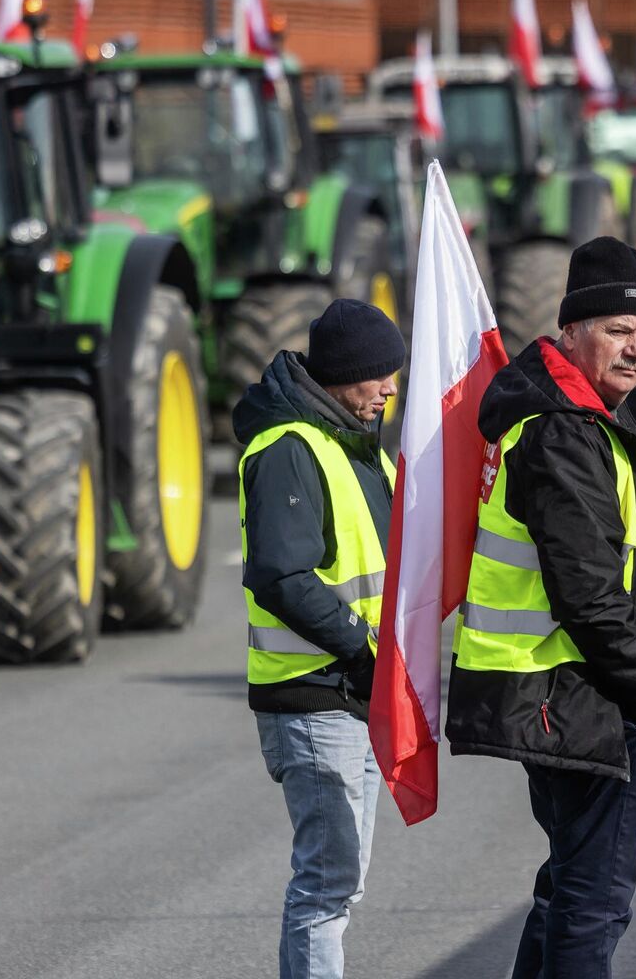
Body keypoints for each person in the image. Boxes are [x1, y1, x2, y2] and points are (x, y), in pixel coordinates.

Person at [445, 237, 636, 979]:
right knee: (595, 897)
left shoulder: (591, 417)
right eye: (618, 331)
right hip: (581, 693)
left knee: (568, 885)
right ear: (569, 333)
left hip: (577, 690)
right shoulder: (560, 431)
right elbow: (588, 588)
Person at [233, 298, 405, 979]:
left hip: (351, 694)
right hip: (313, 697)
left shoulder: (359, 448)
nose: (390, 388)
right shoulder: (290, 450)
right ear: (341, 376)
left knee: (339, 883)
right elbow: (280, 576)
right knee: (327, 885)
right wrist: (364, 648)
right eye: (379, 376)